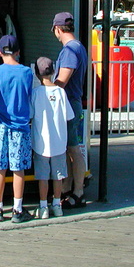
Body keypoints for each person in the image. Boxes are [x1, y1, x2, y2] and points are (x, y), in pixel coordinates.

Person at [0, 35, 34, 224]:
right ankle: (18, 210)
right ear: (18, 52)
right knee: (18, 169)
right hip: (20, 127)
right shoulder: (27, 72)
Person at [51, 12, 88, 209]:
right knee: (69, 149)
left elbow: (62, 80)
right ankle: (68, 188)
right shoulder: (80, 47)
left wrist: (47, 87)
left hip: (69, 104)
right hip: (74, 103)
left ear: (58, 29)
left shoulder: (69, 51)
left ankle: (79, 192)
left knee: (73, 148)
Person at [30, 57, 74, 219]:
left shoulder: (35, 93)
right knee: (58, 176)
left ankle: (43, 207)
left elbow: (29, 115)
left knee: (43, 176)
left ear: (36, 73)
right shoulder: (61, 92)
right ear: (54, 71)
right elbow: (70, 115)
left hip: (41, 142)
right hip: (59, 143)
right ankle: (57, 205)